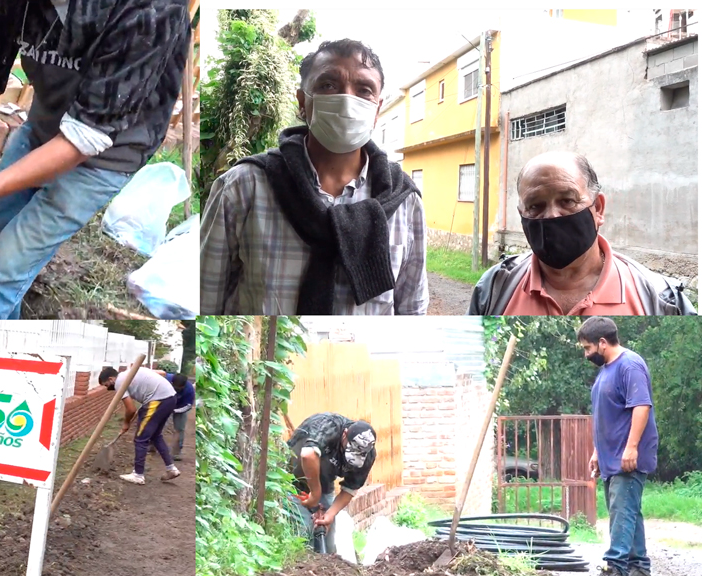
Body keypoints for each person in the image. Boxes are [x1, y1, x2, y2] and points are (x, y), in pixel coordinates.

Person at [0, 0, 191, 319]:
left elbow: (83, 139)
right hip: (45, 128)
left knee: (5, 270)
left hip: (109, 154)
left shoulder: (151, 10)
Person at [200, 38, 427, 315]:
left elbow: (412, 312)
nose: (346, 99)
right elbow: (205, 302)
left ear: (377, 109)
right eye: (328, 85)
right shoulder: (243, 186)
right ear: (302, 102)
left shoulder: (404, 201)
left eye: (364, 90)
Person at [469, 152, 695, 315]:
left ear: (598, 209)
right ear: (522, 214)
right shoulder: (494, 289)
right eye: (535, 206)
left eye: (567, 200)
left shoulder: (660, 300)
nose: (551, 216)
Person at [578, 317, 658, 576]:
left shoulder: (629, 365)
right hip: (611, 456)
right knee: (629, 512)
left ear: (603, 343)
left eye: (588, 348)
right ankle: (638, 568)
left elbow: (641, 406)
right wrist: (597, 451)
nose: (586, 354)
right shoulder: (606, 371)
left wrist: (631, 447)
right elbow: (607, 415)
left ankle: (615, 567)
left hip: (628, 457)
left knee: (620, 512)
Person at [287, 413, 377, 555]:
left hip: (324, 484)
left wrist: (330, 514)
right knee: (303, 533)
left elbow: (350, 489)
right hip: (291, 480)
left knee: (327, 536)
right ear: (345, 435)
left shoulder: (368, 455)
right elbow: (308, 455)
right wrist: (315, 495)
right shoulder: (328, 427)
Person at [99, 367, 180, 485]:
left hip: (158, 400)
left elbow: (131, 409)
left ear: (111, 379)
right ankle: (171, 469)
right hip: (170, 398)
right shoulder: (130, 372)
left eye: (106, 385)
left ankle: (138, 475)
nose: (107, 388)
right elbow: (161, 374)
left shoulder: (120, 382)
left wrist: (126, 423)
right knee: (156, 436)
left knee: (141, 439)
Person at [169, 374, 194, 461]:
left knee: (179, 429)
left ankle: (176, 452)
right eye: (175, 387)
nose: (176, 390)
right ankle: (152, 445)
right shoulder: (167, 379)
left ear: (183, 386)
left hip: (180, 407)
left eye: (179, 388)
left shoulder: (189, 390)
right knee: (156, 423)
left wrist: (174, 411)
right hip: (166, 402)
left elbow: (188, 406)